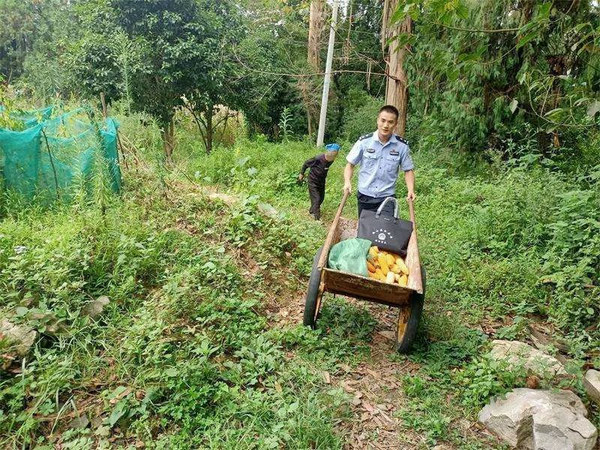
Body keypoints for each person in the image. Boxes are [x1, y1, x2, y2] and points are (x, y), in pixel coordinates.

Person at [343, 105, 415, 218]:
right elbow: (350, 165)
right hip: (365, 195)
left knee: (385, 232)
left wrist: (411, 190)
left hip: (387, 197)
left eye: (390, 122)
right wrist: (347, 182)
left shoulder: (401, 146)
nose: (386, 125)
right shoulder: (364, 142)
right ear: (378, 120)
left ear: (395, 124)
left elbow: (408, 170)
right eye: (383, 120)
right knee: (365, 232)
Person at [298, 143, 340, 220]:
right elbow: (306, 163)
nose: (328, 159)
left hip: (321, 181)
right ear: (327, 153)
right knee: (316, 199)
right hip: (313, 180)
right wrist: (301, 173)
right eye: (328, 157)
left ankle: (311, 211)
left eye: (331, 158)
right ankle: (317, 218)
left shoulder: (331, 160)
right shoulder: (318, 158)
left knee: (321, 198)